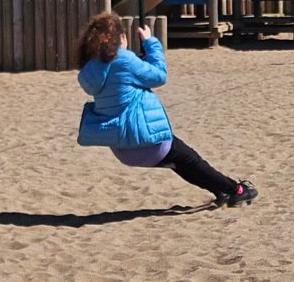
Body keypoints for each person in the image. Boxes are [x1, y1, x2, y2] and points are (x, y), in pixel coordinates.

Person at [76, 12, 258, 207]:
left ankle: (220, 190)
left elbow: (119, 81)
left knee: (182, 163)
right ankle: (236, 190)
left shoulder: (90, 69)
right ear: (120, 38)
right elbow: (159, 76)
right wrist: (150, 43)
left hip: (122, 148)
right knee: (191, 161)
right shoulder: (125, 59)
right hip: (147, 141)